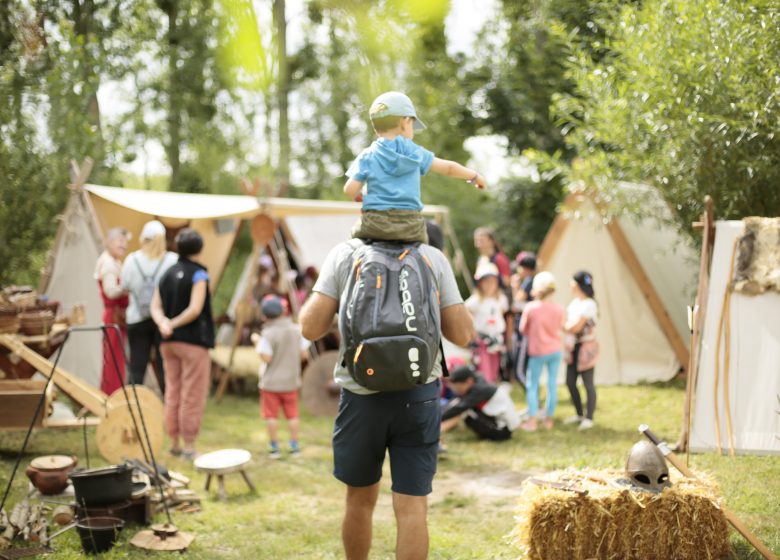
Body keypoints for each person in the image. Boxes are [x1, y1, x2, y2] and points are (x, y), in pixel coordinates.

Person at [299, 239, 474, 560]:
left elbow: (310, 328)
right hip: (419, 395)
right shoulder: (432, 257)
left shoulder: (345, 253)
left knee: (359, 500)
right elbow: (463, 335)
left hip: (361, 396)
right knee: (412, 506)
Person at [343, 91, 486, 244]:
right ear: (405, 122)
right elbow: (448, 168)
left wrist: (361, 197)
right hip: (411, 227)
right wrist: (474, 176)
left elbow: (349, 190)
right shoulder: (415, 152)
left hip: (375, 225)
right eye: (412, 123)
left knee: (349, 247)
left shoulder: (367, 155)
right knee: (427, 252)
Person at [150, 228, 215, 460]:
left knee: (172, 391)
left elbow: (155, 306)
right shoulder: (200, 274)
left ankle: (175, 443)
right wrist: (175, 324)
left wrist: (164, 324)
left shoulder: (166, 273)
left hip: (167, 343)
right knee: (192, 393)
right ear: (199, 249)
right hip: (193, 342)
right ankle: (189, 446)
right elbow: (195, 309)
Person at [250, 295, 310, 459]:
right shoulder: (296, 330)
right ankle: (294, 446)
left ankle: (274, 447)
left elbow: (266, 358)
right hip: (291, 382)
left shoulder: (268, 334)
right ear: (284, 311)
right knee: (293, 415)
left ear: (264, 316)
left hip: (271, 384)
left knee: (271, 416)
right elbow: (304, 354)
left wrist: (256, 342)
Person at [121, 220, 178, 393]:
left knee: (137, 366)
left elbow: (125, 286)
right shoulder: (172, 261)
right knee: (164, 366)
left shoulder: (131, 260)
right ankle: (169, 406)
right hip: (163, 321)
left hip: (137, 318)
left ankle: (132, 405)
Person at [518, 271, 564, 431]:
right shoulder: (559, 308)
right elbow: (561, 327)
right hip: (555, 351)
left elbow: (522, 329)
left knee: (533, 385)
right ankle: (548, 419)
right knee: (552, 384)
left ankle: (532, 420)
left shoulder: (531, 308)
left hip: (537, 352)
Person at [440, 365, 519, 445]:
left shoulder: (479, 389)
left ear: (468, 381)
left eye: (458, 387)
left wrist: (438, 419)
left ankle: (436, 432)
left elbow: (459, 408)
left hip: (501, 431)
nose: (455, 390)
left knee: (464, 410)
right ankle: (436, 430)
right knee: (459, 403)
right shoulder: (477, 382)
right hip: (498, 423)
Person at [94, 227, 130, 396]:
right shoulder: (108, 263)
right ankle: (111, 394)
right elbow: (111, 291)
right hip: (113, 315)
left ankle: (114, 393)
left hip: (116, 315)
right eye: (120, 241)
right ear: (109, 241)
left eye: (125, 242)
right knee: (113, 358)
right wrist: (128, 288)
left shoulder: (114, 261)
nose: (123, 245)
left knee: (116, 357)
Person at [563, 270, 599, 431]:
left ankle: (589, 417)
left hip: (586, 348)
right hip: (573, 348)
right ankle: (579, 414)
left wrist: (568, 326)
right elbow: (567, 324)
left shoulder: (589, 304)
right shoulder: (575, 303)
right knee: (570, 382)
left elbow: (575, 326)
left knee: (588, 383)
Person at [465, 263, 509, 384]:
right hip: (482, 341)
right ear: (479, 283)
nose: (490, 285)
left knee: (495, 369)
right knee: (483, 371)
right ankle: (483, 395)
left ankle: (491, 393)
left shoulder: (500, 299)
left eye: (492, 281)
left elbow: (502, 314)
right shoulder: (475, 301)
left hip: (496, 340)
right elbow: (465, 313)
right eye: (486, 281)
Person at [509, 251, 537, 387]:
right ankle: (533, 402)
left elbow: (516, 304)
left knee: (519, 371)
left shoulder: (528, 282)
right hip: (530, 330)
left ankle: (535, 401)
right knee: (527, 369)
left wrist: (514, 287)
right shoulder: (534, 281)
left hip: (525, 331)